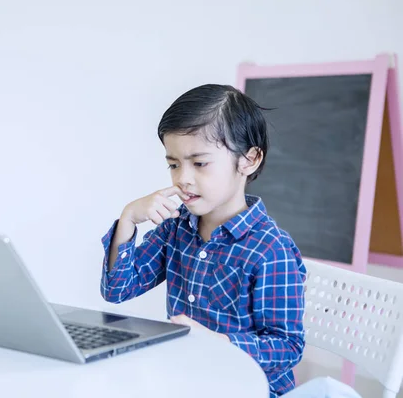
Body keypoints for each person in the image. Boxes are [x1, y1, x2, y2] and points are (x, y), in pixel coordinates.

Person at [99, 84, 306, 397]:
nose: (183, 178)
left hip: (247, 388)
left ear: (248, 160)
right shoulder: (176, 227)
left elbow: (287, 347)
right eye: (173, 164)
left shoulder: (270, 249)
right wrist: (128, 218)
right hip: (190, 380)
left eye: (199, 163)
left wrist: (218, 342)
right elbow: (117, 290)